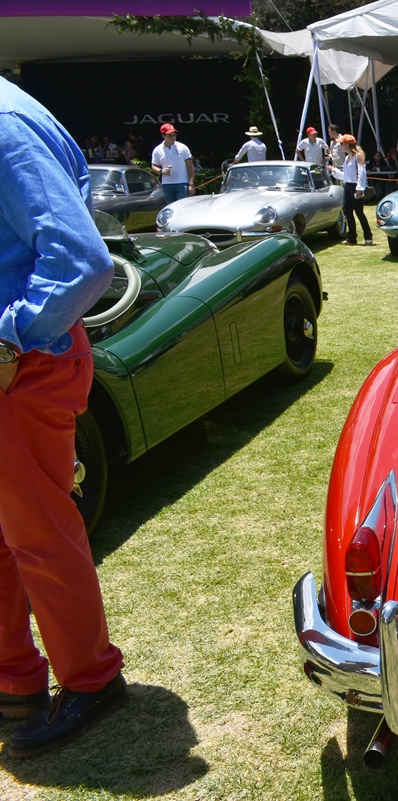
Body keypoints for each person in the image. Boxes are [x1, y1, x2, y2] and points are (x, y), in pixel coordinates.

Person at [0, 74, 126, 759]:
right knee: (14, 533)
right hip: (23, 357)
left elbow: (83, 262)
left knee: (39, 531)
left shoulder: (2, 126)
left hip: (21, 365)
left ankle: (90, 676)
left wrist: (10, 334)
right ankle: (16, 679)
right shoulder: (12, 110)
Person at [336, 134, 373, 246]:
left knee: (359, 212)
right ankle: (352, 238)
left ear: (347, 144)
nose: (340, 146)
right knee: (348, 212)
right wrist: (335, 171)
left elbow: (362, 173)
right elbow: (346, 176)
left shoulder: (358, 156)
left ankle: (368, 237)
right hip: (347, 186)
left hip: (355, 186)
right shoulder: (347, 158)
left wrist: (359, 189)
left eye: (341, 143)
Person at [150, 123, 194, 203]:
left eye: (174, 135)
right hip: (167, 184)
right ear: (163, 135)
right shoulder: (158, 150)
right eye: (169, 135)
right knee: (171, 207)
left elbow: (190, 166)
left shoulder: (183, 147)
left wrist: (191, 184)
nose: (173, 137)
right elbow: (153, 166)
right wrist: (161, 171)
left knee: (183, 206)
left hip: (182, 182)